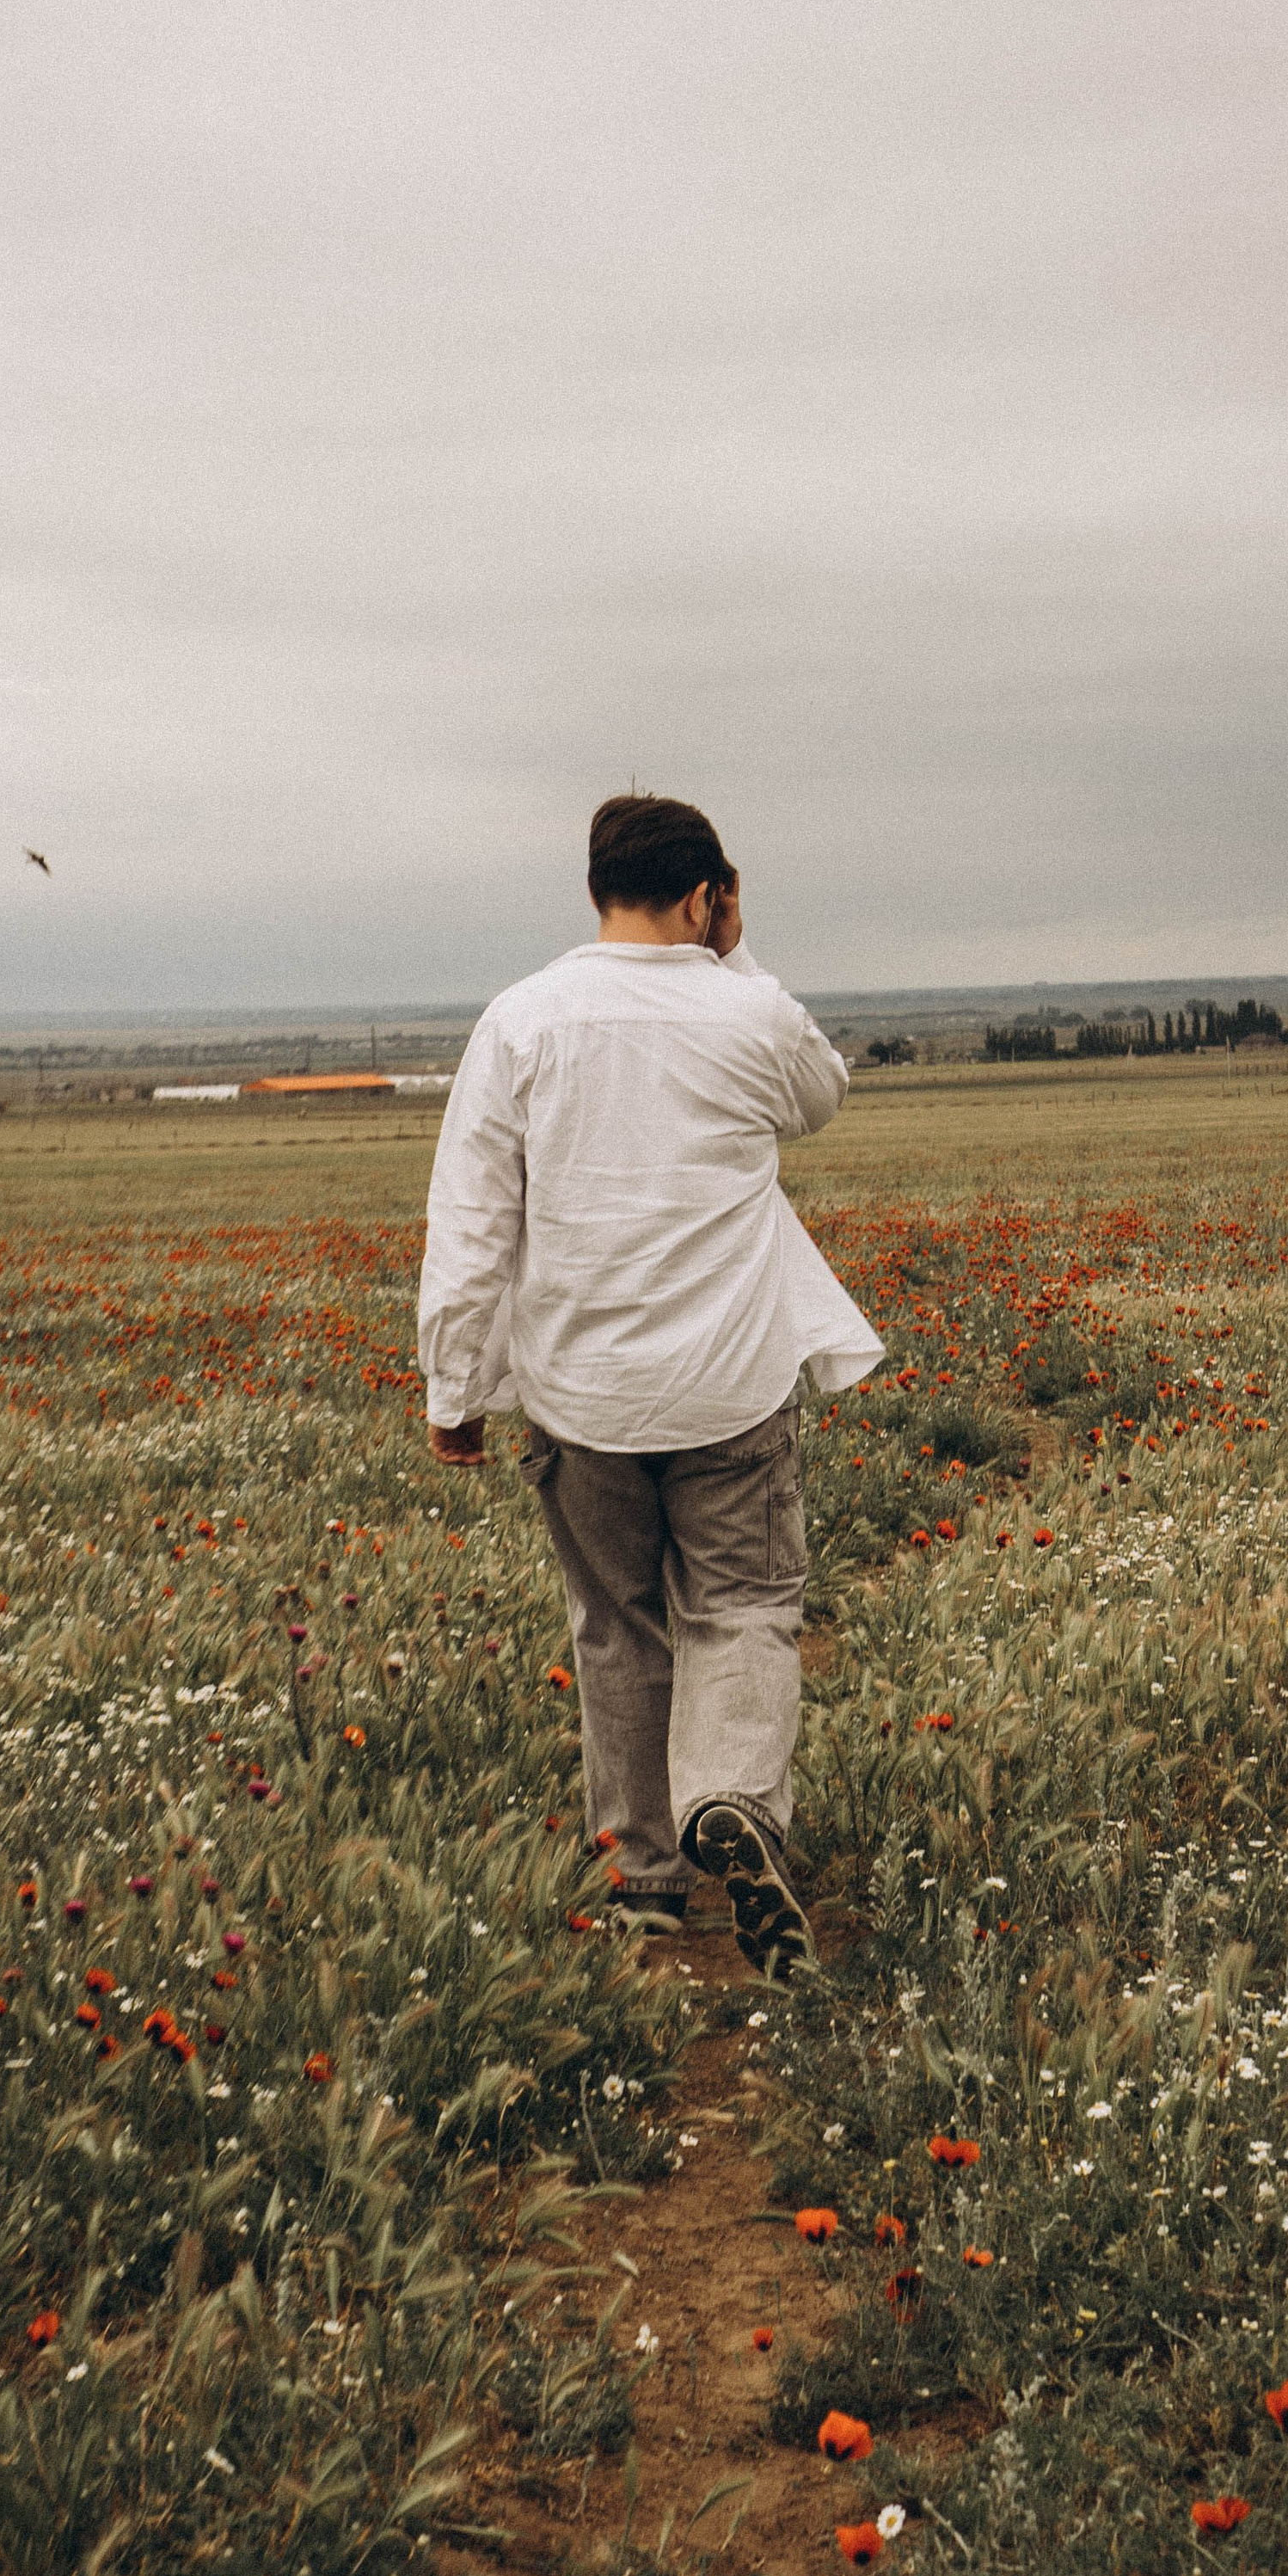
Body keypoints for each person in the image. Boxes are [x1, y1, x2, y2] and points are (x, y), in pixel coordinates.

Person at [417, 793, 883, 1972]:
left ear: (595, 891)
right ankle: (732, 1803)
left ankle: (642, 1878)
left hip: (581, 1390)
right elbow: (822, 1096)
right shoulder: (751, 1015)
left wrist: (454, 1388)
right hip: (730, 1381)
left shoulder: (521, 1021)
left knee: (616, 1627)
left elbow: (473, 1220)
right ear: (705, 898)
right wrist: (740, 956)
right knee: (744, 1604)